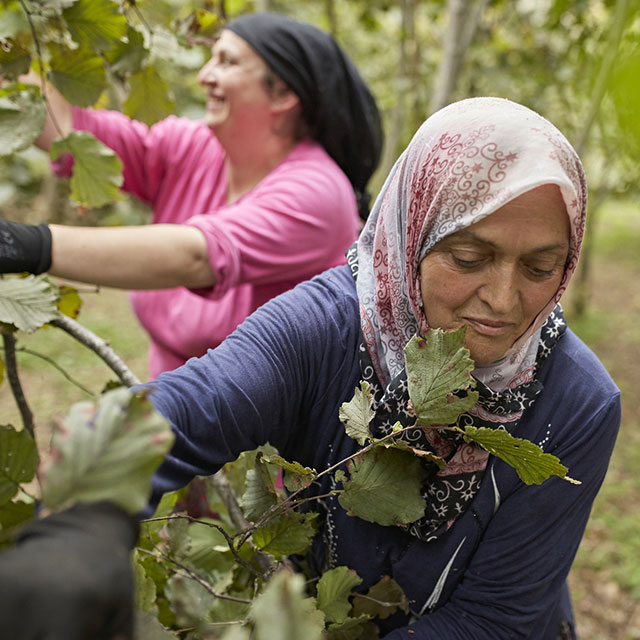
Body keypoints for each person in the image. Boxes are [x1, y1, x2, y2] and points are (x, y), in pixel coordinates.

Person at [0, 97, 621, 639]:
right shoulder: (325, 329)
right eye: (467, 257)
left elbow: (493, 621)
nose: (505, 300)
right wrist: (82, 523)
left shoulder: (576, 404)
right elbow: (196, 404)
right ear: (411, 235)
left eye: (541, 269)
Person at [0, 12, 382, 378]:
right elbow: (71, 134)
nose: (204, 76)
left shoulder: (318, 191)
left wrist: (27, 246)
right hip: (175, 406)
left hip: (265, 431)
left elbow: (197, 255)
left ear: (283, 92)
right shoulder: (193, 146)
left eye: (226, 62)